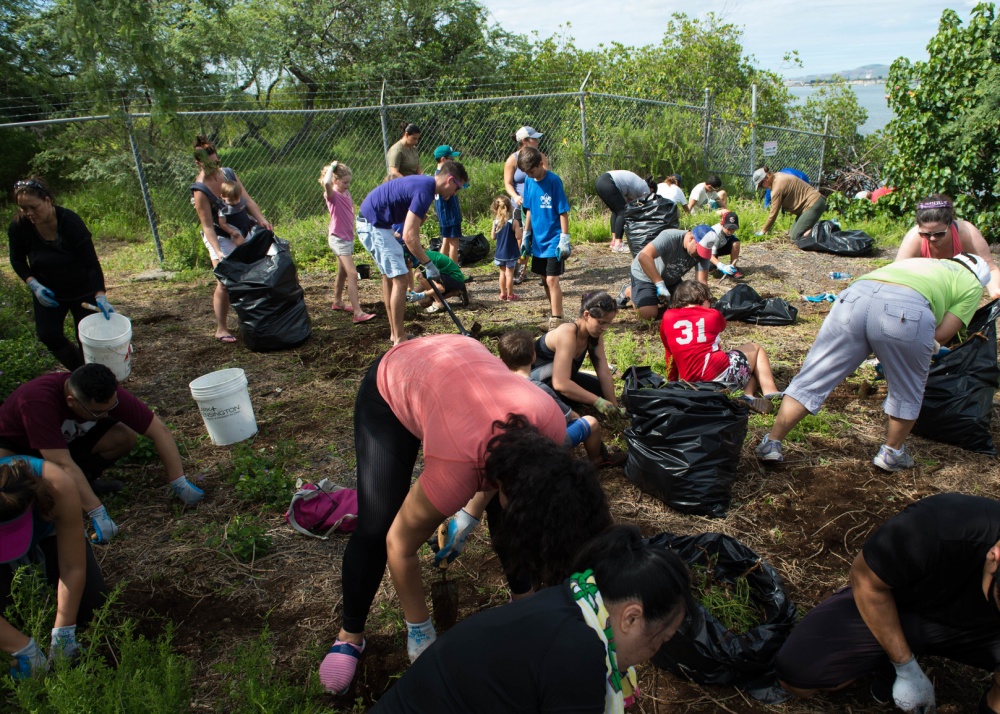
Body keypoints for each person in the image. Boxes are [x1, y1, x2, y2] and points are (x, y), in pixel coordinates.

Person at [317, 335, 611, 695]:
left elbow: (504, 473)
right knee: (378, 526)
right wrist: (420, 629)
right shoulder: (456, 465)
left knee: (507, 518)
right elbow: (400, 544)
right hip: (397, 383)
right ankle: (351, 634)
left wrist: (470, 516)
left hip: (463, 373)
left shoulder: (549, 426)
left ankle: (524, 599)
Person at [369, 525, 692, 714]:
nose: (653, 655)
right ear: (632, 618)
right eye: (661, 639)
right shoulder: (580, 655)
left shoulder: (571, 600)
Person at [755, 253, 991, 470]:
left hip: (853, 298)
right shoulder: (972, 285)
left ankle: (772, 442)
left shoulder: (924, 262)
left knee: (814, 376)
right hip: (904, 312)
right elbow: (941, 335)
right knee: (907, 387)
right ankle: (892, 453)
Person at [775, 493, 1000, 714]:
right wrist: (906, 667)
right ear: (995, 556)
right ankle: (890, 653)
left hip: (979, 633)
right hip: (899, 608)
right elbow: (866, 581)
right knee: (798, 674)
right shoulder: (940, 525)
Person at [0, 363, 205, 544]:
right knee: (24, 481)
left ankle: (86, 481)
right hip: (21, 449)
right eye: (98, 412)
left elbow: (159, 430)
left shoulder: (102, 390)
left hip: (66, 442)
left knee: (123, 436)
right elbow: (62, 464)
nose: (106, 414)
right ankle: (61, 496)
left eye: (112, 406)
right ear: (72, 402)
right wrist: (97, 512)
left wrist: (179, 481)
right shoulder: (38, 402)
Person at [0, 456, 108, 678]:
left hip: (45, 531)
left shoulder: (56, 484)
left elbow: (72, 567)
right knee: (11, 616)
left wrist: (64, 633)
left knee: (90, 604)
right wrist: (22, 647)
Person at [8, 177, 115, 370]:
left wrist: (100, 295)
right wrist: (34, 285)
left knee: (87, 337)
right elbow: (17, 260)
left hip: (82, 288)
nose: (29, 213)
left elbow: (91, 263)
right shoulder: (19, 226)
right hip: (48, 290)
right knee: (48, 334)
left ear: (47, 201)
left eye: (34, 207)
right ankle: (80, 371)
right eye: (23, 209)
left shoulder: (70, 222)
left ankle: (96, 377)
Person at [356, 162, 468, 345]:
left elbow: (409, 230)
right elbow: (410, 237)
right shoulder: (425, 191)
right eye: (457, 188)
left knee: (390, 277)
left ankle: (396, 333)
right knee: (400, 278)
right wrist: (428, 264)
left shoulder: (425, 186)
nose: (455, 193)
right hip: (374, 224)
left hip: (376, 223)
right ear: (449, 180)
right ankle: (399, 338)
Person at [499, 329, 625, 470]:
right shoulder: (541, 389)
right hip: (542, 449)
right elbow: (572, 416)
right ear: (533, 356)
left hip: (508, 447)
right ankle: (598, 459)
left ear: (502, 361)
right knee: (590, 423)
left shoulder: (496, 387)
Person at [190, 136, 272, 344]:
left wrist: (262, 220)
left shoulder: (228, 174)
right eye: (210, 165)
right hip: (220, 234)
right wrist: (218, 252)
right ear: (199, 164)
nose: (215, 167)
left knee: (257, 269)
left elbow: (247, 200)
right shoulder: (200, 190)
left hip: (242, 227)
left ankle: (260, 317)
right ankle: (221, 328)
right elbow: (208, 225)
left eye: (217, 162)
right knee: (225, 282)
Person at [659, 280, 780, 413]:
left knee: (749, 370)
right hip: (717, 375)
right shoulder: (712, 314)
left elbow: (670, 355)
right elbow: (721, 325)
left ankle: (747, 397)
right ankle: (771, 392)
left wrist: (672, 383)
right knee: (756, 349)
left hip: (691, 382)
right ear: (703, 299)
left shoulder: (667, 317)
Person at [530, 291, 620, 415]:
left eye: (608, 323)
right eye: (601, 322)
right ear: (587, 315)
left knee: (599, 389)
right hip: (535, 384)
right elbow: (560, 383)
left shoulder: (595, 336)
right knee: (577, 395)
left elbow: (604, 372)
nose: (604, 328)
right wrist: (597, 401)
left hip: (560, 380)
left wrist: (614, 405)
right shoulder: (567, 333)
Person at [895, 194, 1000, 299]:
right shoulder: (913, 237)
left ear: (950, 224)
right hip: (926, 288)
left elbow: (990, 269)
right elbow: (896, 273)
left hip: (959, 290)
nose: (932, 239)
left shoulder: (967, 234)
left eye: (939, 233)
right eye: (926, 234)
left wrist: (997, 294)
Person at [519, 146, 571, 332]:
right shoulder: (528, 180)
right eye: (527, 172)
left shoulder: (553, 181)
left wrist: (564, 238)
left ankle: (557, 321)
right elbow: (530, 209)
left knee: (551, 280)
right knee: (543, 278)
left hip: (553, 240)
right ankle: (555, 316)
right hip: (538, 241)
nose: (530, 175)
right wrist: (526, 235)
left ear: (541, 163)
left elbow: (562, 210)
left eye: (532, 171)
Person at [320, 161, 375, 324]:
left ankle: (337, 301)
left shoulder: (345, 193)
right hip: (338, 238)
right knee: (352, 273)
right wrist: (332, 167)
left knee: (343, 272)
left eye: (349, 182)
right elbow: (326, 182)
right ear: (335, 180)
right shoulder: (332, 195)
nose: (347, 185)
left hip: (347, 236)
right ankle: (358, 312)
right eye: (344, 182)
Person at [615, 227, 700, 321]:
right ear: (691, 238)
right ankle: (630, 290)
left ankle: (655, 296)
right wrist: (660, 284)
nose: (700, 254)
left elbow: (701, 283)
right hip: (645, 275)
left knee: (685, 309)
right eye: (699, 249)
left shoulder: (703, 251)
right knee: (648, 315)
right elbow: (643, 257)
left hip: (671, 278)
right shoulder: (670, 237)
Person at [503, 126, 547, 286]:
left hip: (538, 205)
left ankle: (544, 270)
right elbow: (508, 183)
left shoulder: (540, 156)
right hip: (519, 205)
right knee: (522, 238)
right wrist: (516, 196)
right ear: (524, 141)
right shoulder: (513, 159)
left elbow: (545, 176)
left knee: (540, 235)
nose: (537, 141)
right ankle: (521, 269)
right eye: (534, 138)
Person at [752, 166, 826, 243]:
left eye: (761, 184)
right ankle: (818, 226)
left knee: (795, 237)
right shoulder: (778, 176)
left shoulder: (777, 187)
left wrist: (763, 231)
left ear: (766, 178)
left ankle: (825, 228)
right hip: (810, 205)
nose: (763, 187)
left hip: (813, 203)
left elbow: (773, 214)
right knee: (793, 233)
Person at [594, 170, 654, 253]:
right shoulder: (645, 188)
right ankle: (618, 245)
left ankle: (614, 241)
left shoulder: (637, 184)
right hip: (609, 182)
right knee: (623, 211)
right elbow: (644, 204)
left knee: (616, 211)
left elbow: (628, 201)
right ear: (652, 189)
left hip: (600, 181)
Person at [404, 249, 467, 314]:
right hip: (444, 278)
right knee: (424, 302)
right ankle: (457, 292)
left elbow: (440, 288)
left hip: (455, 278)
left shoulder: (425, 262)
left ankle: (439, 303)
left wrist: (420, 295)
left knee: (419, 275)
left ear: (408, 260)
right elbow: (426, 282)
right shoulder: (417, 259)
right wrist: (413, 292)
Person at [432, 145, 463, 264]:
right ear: (443, 159)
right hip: (449, 213)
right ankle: (454, 271)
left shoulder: (438, 174)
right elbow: (446, 195)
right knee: (454, 242)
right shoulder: (444, 176)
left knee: (446, 239)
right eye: (451, 159)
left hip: (444, 214)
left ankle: (440, 267)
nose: (453, 162)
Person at [490, 195, 523, 301]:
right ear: (510, 207)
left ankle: (502, 294)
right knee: (509, 274)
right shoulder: (514, 222)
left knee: (502, 273)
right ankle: (510, 295)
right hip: (511, 253)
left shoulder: (496, 222)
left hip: (499, 254)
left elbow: (493, 237)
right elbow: (518, 237)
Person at [693, 214, 742, 283]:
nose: (730, 232)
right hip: (710, 249)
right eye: (728, 229)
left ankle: (733, 268)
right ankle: (714, 269)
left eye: (733, 229)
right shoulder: (715, 233)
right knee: (711, 269)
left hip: (721, 246)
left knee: (736, 242)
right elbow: (710, 255)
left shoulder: (728, 233)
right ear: (722, 224)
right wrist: (721, 266)